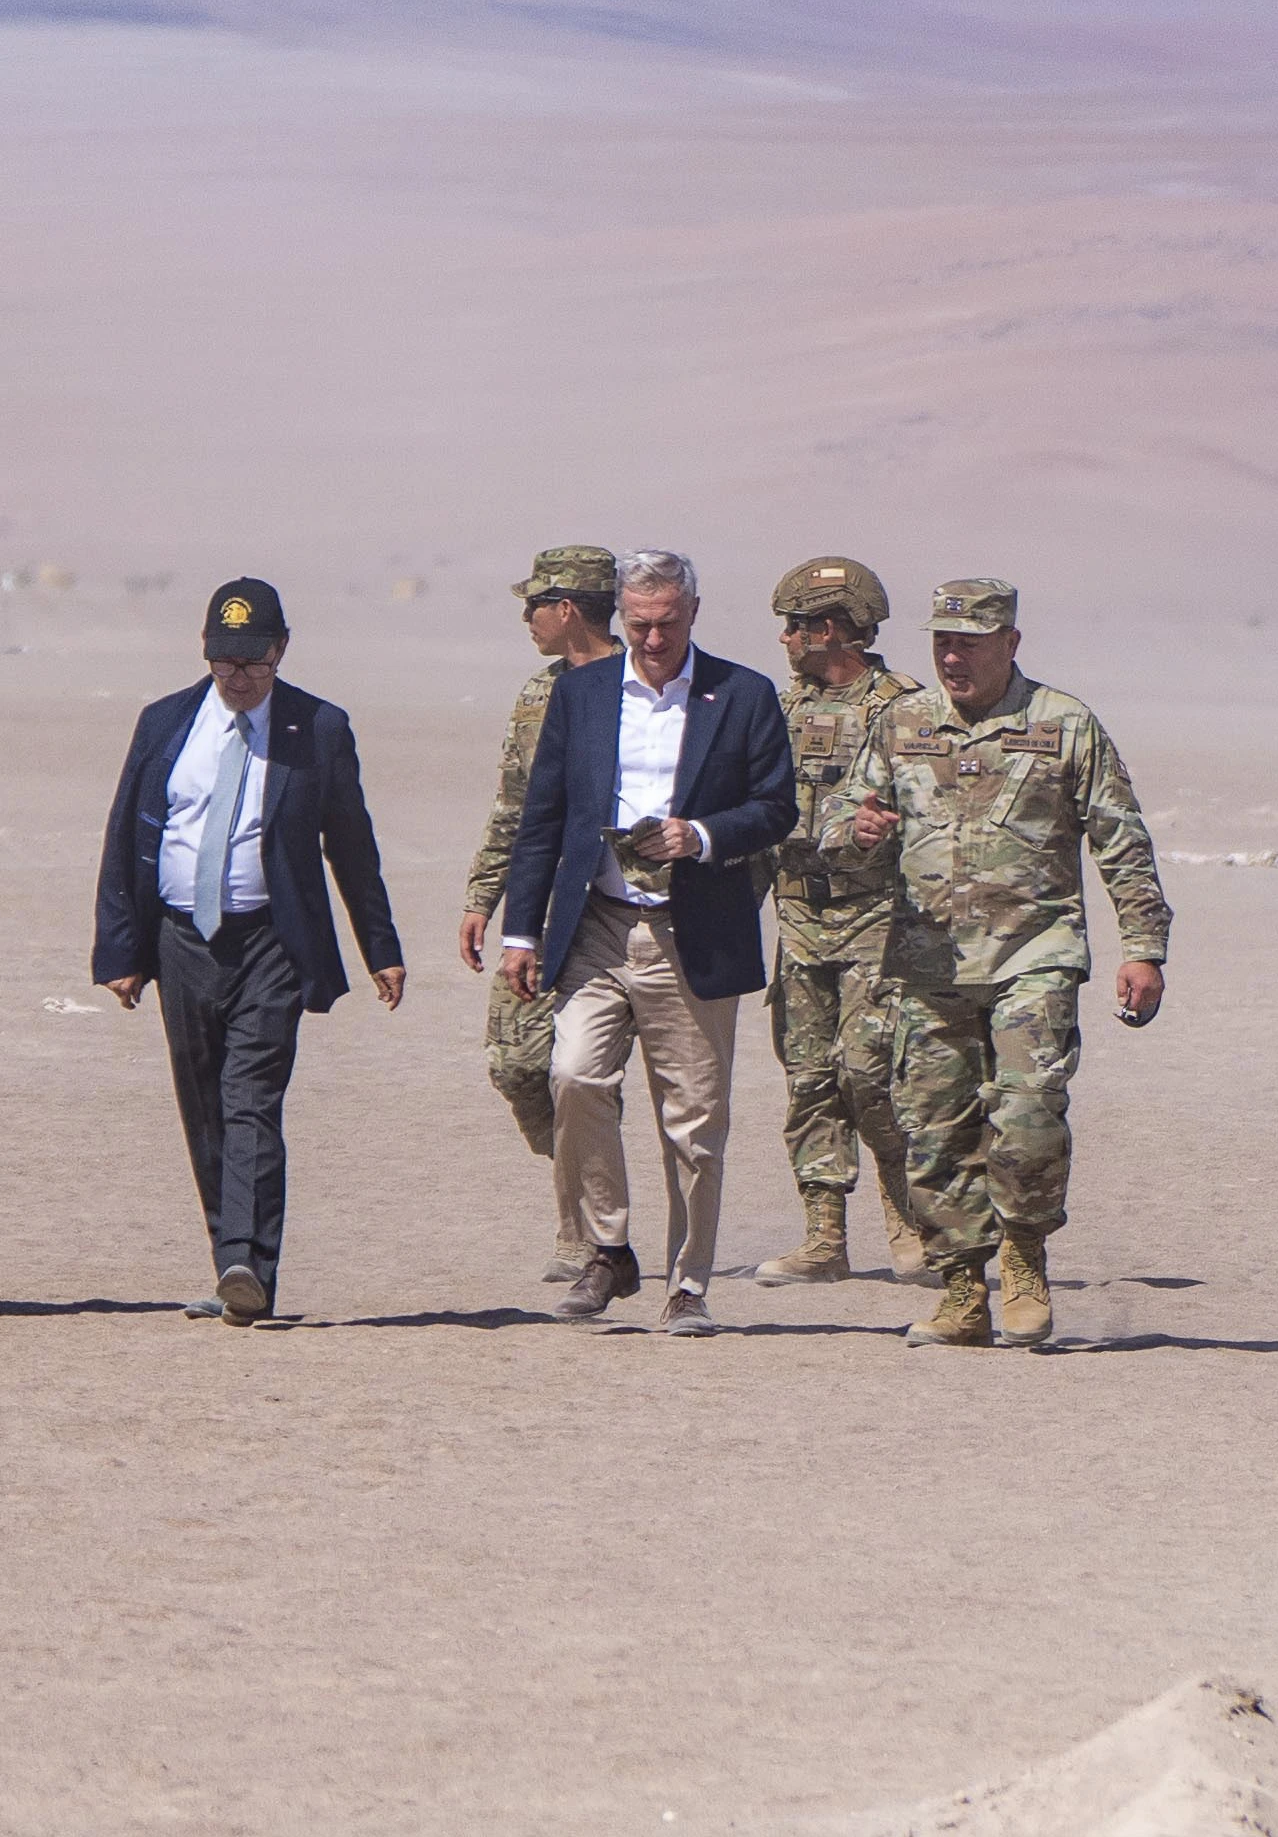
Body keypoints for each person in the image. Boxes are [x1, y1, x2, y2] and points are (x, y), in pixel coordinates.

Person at [91, 577, 410, 1325]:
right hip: (180, 941)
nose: (238, 678)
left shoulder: (318, 727)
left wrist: (380, 947)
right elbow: (127, 835)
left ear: (281, 651)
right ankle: (229, 1261)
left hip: (271, 941)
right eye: (224, 661)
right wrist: (120, 951)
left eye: (253, 662)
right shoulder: (165, 722)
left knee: (250, 1101)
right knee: (204, 1107)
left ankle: (248, 1264)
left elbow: (351, 845)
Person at [493, 550, 796, 1327]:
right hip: (596, 923)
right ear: (620, 616)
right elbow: (542, 816)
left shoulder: (744, 695)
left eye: (667, 624)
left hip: (690, 933)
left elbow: (776, 806)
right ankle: (608, 1249)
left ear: (693, 612)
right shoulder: (583, 694)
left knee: (693, 1121)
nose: (653, 640)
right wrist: (520, 931)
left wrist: (700, 835)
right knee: (574, 1077)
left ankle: (687, 1284)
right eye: (639, 624)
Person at [883, 577, 1172, 1351]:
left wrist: (1143, 947)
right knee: (935, 1130)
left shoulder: (1065, 725)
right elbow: (849, 819)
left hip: (1035, 956)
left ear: (1010, 644)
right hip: (928, 963)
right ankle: (959, 1293)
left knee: (1028, 1116)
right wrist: (858, 829)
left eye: (969, 644)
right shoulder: (902, 723)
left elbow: (1120, 838)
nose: (952, 657)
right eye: (942, 642)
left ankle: (1023, 1261)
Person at [754, 552, 926, 1283]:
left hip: (875, 919)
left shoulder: (905, 710)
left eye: (795, 625)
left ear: (830, 628)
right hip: (798, 917)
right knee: (810, 1077)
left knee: (871, 1074)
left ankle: (911, 1220)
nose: (785, 639)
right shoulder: (779, 711)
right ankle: (824, 1236)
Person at [457, 543, 621, 1238]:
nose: (526, 619)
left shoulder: (642, 688)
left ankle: (585, 1231)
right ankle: (582, 1189)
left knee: (586, 1076)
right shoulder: (537, 694)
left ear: (568, 609)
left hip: (615, 910)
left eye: (535, 606)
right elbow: (514, 807)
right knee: (519, 1064)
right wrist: (482, 897)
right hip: (541, 907)